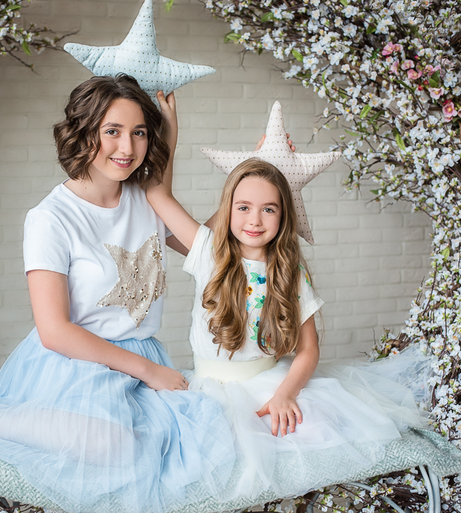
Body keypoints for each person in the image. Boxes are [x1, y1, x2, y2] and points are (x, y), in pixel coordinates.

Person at [0, 74, 236, 513]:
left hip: (142, 360)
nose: (127, 147)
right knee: (118, 449)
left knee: (189, 443)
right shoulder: (51, 218)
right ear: (84, 131)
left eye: (139, 133)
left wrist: (249, 186)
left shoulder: (146, 198)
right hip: (76, 364)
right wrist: (150, 373)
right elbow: (54, 330)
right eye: (112, 131)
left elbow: (207, 249)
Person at [146, 138, 431, 500]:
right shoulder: (208, 252)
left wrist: (285, 395)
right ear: (227, 209)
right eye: (243, 207)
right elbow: (157, 193)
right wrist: (171, 132)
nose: (254, 219)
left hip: (271, 385)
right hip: (209, 393)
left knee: (311, 438)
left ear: (283, 216)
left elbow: (308, 350)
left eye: (268, 209)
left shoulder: (290, 271)